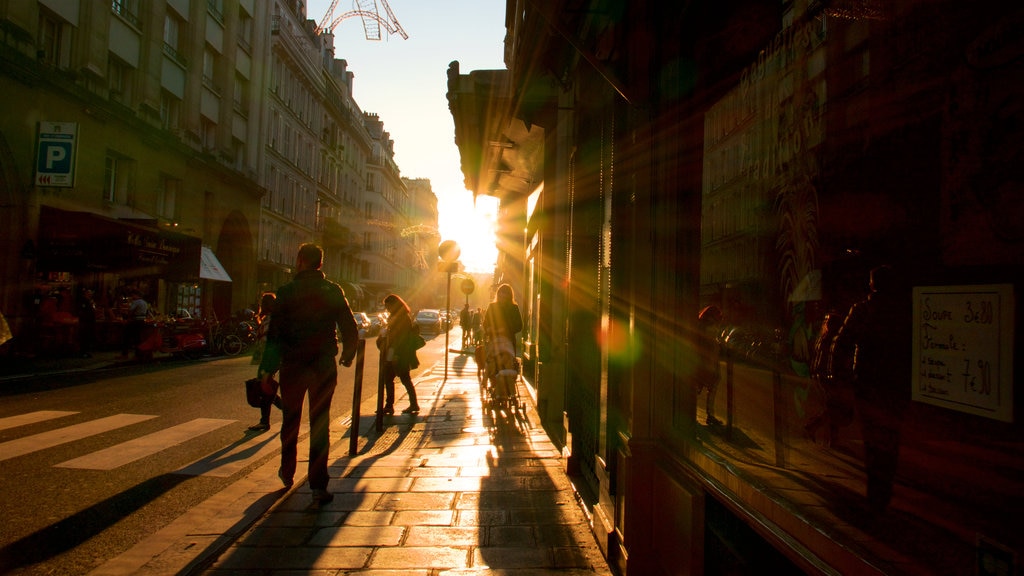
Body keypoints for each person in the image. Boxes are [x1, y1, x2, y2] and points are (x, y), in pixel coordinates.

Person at [258, 243, 359, 504]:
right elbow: (349, 326)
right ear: (321, 264)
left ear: (300, 260)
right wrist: (348, 354)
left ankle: (287, 471)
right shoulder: (332, 290)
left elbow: (275, 335)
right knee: (320, 423)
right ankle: (318, 485)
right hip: (323, 364)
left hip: (293, 364)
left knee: (291, 419)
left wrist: (268, 370)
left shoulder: (287, 292)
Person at [832, 264, 910, 513]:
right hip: (895, 386)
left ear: (872, 285)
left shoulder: (863, 310)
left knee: (873, 441)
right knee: (890, 440)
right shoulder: (902, 312)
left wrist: (842, 376)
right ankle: (884, 489)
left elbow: (842, 343)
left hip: (867, 385)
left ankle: (876, 492)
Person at [803, 311, 854, 446]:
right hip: (829, 377)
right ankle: (813, 426)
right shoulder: (833, 339)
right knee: (833, 408)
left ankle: (833, 439)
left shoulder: (823, 338)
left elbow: (816, 359)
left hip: (822, 376)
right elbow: (833, 360)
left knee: (832, 407)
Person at [378, 294, 421, 415]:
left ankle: (408, 404)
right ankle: (392, 405)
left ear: (394, 305)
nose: (387, 309)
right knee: (392, 378)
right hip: (394, 351)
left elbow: (402, 338)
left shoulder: (402, 318)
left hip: (398, 352)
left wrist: (396, 354)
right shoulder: (398, 316)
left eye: (388, 306)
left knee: (402, 379)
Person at [248, 292, 282, 432]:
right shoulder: (269, 318)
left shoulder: (273, 319)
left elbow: (270, 342)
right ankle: (285, 409)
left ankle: (264, 421)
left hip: (269, 358)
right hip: (267, 358)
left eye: (263, 302)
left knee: (264, 387)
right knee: (265, 386)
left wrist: (269, 365)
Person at [695, 305, 724, 426]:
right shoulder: (710, 327)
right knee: (711, 389)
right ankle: (710, 415)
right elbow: (712, 347)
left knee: (697, 388)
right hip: (708, 362)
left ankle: (693, 413)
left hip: (702, 361)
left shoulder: (701, 325)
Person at [482, 283, 523, 353]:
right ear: (498, 294)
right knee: (495, 362)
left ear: (509, 296)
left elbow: (519, 325)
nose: (502, 296)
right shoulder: (492, 307)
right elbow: (486, 323)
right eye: (501, 293)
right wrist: (489, 329)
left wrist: (505, 330)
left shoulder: (513, 308)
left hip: (508, 342)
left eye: (505, 294)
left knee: (507, 362)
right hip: (495, 341)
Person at [122, 289, 149, 358]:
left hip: (135, 321)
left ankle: (125, 354)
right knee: (137, 338)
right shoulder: (144, 302)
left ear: (136, 295)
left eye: (133, 295)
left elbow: (131, 311)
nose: (132, 296)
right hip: (141, 321)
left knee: (126, 337)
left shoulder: (136, 302)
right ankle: (138, 354)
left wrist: (127, 317)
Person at [76, 288, 97, 358]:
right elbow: (82, 311)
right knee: (84, 337)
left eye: (91, 294)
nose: (90, 295)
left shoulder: (89, 301)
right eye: (89, 293)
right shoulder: (83, 301)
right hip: (85, 322)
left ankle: (86, 351)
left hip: (89, 321)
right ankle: (83, 352)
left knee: (88, 337)